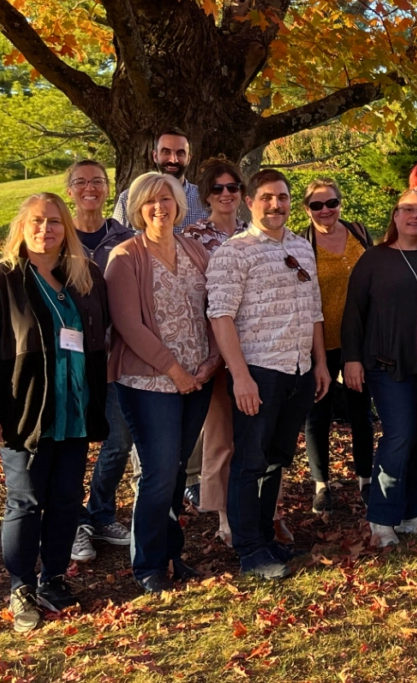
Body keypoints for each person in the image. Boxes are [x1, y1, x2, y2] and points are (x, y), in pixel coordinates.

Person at [0, 193, 110, 632]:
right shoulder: (0, 280)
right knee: (25, 502)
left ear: (67, 228)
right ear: (22, 227)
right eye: (38, 222)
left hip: (74, 412)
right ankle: (21, 586)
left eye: (55, 222)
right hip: (26, 413)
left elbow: (101, 341)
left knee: (64, 502)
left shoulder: (84, 277)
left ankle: (54, 578)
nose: (47, 230)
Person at [207, 169, 330, 580]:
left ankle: (266, 537)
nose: (275, 205)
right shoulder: (234, 251)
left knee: (276, 460)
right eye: (266, 197)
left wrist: (320, 363)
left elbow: (314, 309)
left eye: (282, 197)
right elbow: (220, 316)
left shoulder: (302, 247)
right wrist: (240, 376)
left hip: (298, 369)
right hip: (259, 370)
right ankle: (249, 550)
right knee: (249, 462)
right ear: (249, 201)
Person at [105, 172, 222, 593]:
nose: (160, 207)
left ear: (179, 204)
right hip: (148, 381)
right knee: (157, 473)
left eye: (167, 199)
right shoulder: (125, 256)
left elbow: (216, 306)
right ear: (138, 208)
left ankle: (173, 555)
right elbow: (128, 325)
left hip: (198, 378)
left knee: (175, 473)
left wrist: (212, 361)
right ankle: (148, 564)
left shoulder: (195, 250)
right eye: (151, 201)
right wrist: (174, 370)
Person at [343, 190, 417, 547]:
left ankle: (412, 512)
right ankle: (382, 518)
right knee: (400, 435)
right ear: (395, 217)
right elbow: (354, 312)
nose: (415, 216)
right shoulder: (374, 259)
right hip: (386, 364)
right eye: (408, 210)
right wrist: (351, 358)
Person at [64, 160, 136, 564]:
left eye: (97, 181)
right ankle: (74, 522)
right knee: (72, 442)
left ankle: (101, 513)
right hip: (69, 361)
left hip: (116, 358)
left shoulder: (124, 238)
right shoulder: (56, 237)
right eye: (80, 182)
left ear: (108, 188)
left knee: (119, 440)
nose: (89, 188)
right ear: (70, 190)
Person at [180, 158, 254, 545]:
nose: (227, 194)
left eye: (233, 187)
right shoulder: (193, 238)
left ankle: (259, 509)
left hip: (259, 347)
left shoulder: (254, 232)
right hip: (217, 349)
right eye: (218, 188)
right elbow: (195, 299)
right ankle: (225, 515)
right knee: (221, 434)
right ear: (207, 194)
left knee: (255, 435)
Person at [301, 178, 375, 514]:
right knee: (319, 412)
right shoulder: (302, 244)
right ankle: (321, 485)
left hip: (361, 338)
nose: (325, 210)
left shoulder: (358, 232)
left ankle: (365, 479)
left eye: (331, 203)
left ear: (340, 203)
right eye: (317, 205)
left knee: (362, 411)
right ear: (306, 209)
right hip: (322, 341)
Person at [111, 129, 206, 229]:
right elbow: (115, 242)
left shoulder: (205, 199)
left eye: (180, 153)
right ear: (155, 156)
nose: (173, 160)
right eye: (166, 152)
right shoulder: (128, 198)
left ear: (189, 158)